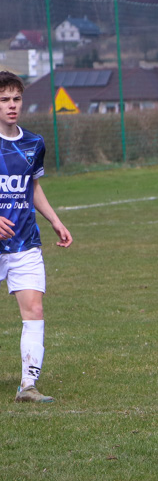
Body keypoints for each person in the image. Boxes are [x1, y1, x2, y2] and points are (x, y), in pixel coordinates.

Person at [0, 71, 73, 403]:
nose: (11, 106)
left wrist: (56, 220)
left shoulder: (33, 143)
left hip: (24, 241)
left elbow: (32, 187)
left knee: (34, 308)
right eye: (4, 100)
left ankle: (27, 385)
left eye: (16, 99)